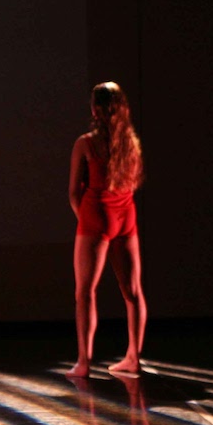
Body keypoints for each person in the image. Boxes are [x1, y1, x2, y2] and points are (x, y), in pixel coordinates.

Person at [67, 82, 147, 377]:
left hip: (96, 215)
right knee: (133, 292)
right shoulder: (131, 144)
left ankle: (84, 363)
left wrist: (88, 219)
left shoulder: (85, 144)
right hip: (126, 216)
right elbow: (132, 184)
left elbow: (74, 191)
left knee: (85, 292)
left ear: (95, 109)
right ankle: (133, 358)